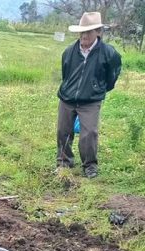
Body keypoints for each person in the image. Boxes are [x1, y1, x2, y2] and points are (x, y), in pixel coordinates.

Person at [56, 11, 121, 179]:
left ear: (98, 32)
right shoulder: (69, 52)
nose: (84, 35)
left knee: (89, 133)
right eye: (82, 31)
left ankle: (89, 166)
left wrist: (96, 88)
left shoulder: (109, 53)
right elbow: (66, 74)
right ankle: (64, 162)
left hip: (91, 100)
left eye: (88, 31)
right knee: (63, 131)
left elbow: (111, 77)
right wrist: (70, 89)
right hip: (67, 98)